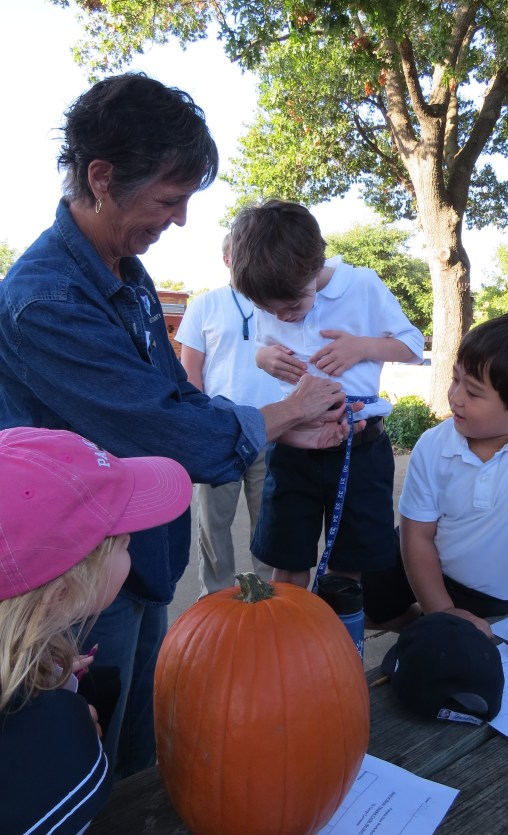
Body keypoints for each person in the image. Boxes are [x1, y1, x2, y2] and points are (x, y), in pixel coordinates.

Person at [0, 73, 358, 779]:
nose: (183, 220)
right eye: (170, 199)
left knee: (141, 747)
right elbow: (163, 428)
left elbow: (178, 397)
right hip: (71, 587)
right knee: (89, 769)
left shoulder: (127, 276)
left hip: (140, 560)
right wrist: (289, 408)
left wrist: (274, 429)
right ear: (102, 178)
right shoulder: (44, 299)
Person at [362, 312, 508, 679]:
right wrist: (441, 612)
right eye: (455, 379)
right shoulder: (433, 445)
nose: (455, 397)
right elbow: (416, 534)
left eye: (472, 391)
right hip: (421, 558)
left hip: (489, 590)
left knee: (468, 640)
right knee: (365, 595)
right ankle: (414, 619)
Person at [0, 425, 193, 835]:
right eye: (124, 543)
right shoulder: (57, 759)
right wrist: (69, 732)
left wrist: (55, 683)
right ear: (63, 592)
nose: (133, 543)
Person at [231, 199, 424, 594]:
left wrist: (362, 347)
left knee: (348, 568)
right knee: (286, 563)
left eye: (293, 306)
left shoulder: (362, 285)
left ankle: (336, 647)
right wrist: (264, 357)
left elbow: (413, 346)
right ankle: (287, 644)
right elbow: (261, 344)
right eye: (270, 310)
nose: (283, 317)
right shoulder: (271, 292)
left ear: (314, 266)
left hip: (359, 445)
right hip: (293, 445)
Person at [176, 233, 280, 594]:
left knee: (268, 524)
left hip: (272, 428)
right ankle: (216, 600)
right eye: (243, 253)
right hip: (221, 432)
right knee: (213, 526)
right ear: (227, 260)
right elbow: (191, 374)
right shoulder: (205, 305)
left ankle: (269, 599)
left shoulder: (279, 302)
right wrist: (202, 428)